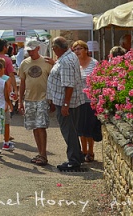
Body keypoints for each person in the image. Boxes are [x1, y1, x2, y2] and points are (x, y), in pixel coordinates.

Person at [47, 36, 85, 170]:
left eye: (53, 48)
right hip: (69, 101)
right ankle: (77, 155)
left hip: (67, 102)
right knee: (72, 131)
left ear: (57, 48)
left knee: (69, 131)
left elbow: (69, 85)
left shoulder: (66, 61)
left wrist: (65, 105)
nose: (53, 50)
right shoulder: (68, 57)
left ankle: (73, 161)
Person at [17, 40, 53, 166]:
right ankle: (40, 152)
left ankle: (43, 154)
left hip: (43, 98)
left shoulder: (47, 62)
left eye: (32, 49)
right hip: (29, 99)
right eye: (28, 50)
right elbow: (22, 83)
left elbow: (53, 80)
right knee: (34, 127)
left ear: (38, 48)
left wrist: (52, 99)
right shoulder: (24, 63)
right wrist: (20, 101)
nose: (30, 52)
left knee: (41, 126)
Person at [73, 40, 101, 162]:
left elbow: (99, 80)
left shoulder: (94, 63)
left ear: (86, 50)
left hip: (91, 100)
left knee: (89, 126)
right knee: (80, 127)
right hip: (78, 99)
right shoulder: (74, 64)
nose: (77, 51)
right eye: (75, 49)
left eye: (79, 48)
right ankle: (83, 150)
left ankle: (90, 151)